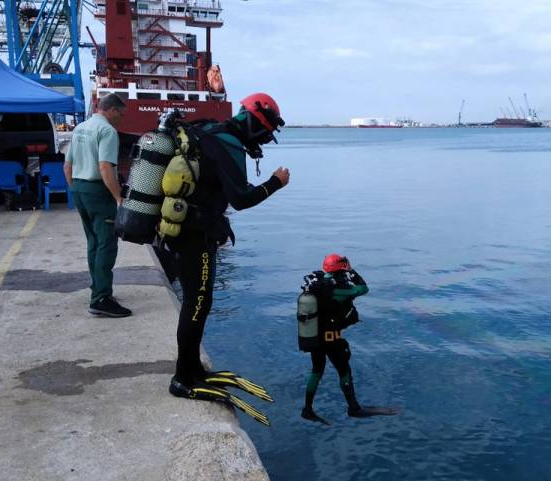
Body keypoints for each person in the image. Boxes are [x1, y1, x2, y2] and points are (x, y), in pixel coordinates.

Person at [165, 92, 289, 426]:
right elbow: (242, 199)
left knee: (197, 301)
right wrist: (275, 183)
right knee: (197, 302)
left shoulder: (209, 131)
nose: (262, 139)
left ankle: (191, 368)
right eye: (263, 132)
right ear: (250, 121)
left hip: (184, 231)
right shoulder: (228, 144)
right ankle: (183, 378)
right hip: (195, 236)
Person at [300, 254, 399, 425]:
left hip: (315, 339)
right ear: (341, 269)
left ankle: (307, 409)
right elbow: (363, 289)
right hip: (332, 340)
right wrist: (352, 271)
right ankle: (354, 408)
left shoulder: (315, 286)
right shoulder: (339, 290)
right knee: (344, 371)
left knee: (317, 371)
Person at [64, 93, 131, 318]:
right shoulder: (107, 131)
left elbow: (67, 165)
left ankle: (98, 289)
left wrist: (76, 187)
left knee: (93, 242)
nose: (121, 119)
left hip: (80, 189)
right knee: (106, 245)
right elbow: (105, 168)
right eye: (120, 114)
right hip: (98, 192)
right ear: (111, 110)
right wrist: (118, 198)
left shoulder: (80, 128)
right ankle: (101, 299)